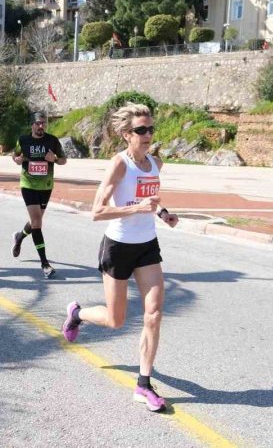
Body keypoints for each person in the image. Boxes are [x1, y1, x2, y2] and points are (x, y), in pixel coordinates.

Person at [60, 103, 179, 412]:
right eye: (141, 130)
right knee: (116, 320)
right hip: (118, 246)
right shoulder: (119, 164)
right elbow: (97, 211)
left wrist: (163, 213)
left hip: (147, 246)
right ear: (127, 135)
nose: (148, 135)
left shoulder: (156, 162)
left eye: (151, 129)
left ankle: (143, 384)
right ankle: (78, 314)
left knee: (154, 314)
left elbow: (150, 200)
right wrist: (136, 208)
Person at [11, 111, 67, 278]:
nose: (41, 126)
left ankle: (20, 237)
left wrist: (54, 159)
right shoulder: (23, 140)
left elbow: (64, 160)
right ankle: (45, 263)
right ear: (32, 125)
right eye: (38, 123)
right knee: (37, 221)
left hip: (46, 186)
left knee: (35, 221)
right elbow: (15, 155)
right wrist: (17, 160)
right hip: (28, 184)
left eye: (44, 123)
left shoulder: (52, 140)